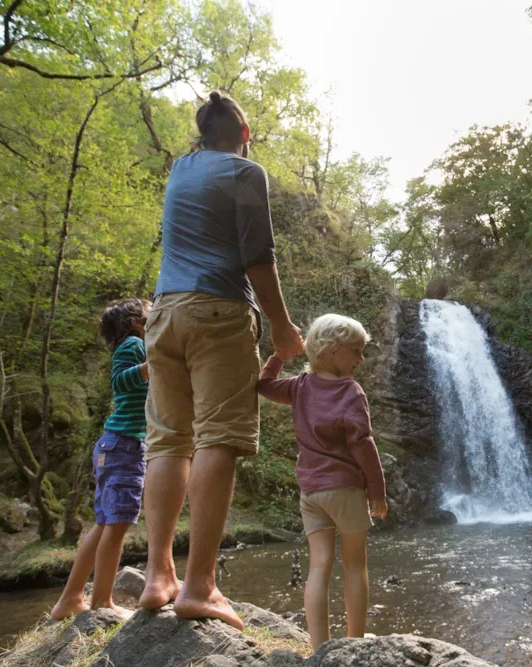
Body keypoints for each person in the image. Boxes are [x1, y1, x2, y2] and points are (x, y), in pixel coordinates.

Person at [139, 91, 304, 629]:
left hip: (162, 315)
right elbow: (258, 258)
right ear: (245, 131)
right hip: (220, 312)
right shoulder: (245, 172)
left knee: (168, 439)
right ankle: (200, 586)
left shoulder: (181, 167)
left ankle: (157, 576)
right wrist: (281, 327)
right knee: (219, 437)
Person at [256, 313, 388, 649]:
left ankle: (319, 647)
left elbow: (264, 386)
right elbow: (363, 444)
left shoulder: (299, 386)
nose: (361, 359)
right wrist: (378, 493)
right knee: (355, 566)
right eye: (356, 351)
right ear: (332, 350)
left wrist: (277, 357)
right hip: (345, 488)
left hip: (311, 492)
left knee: (319, 567)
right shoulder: (350, 392)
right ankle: (354, 642)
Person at [50, 298, 151, 621]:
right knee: (117, 525)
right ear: (137, 322)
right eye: (152, 312)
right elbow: (120, 381)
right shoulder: (133, 344)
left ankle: (72, 598)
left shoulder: (136, 344)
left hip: (117, 445)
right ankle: (102, 602)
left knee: (106, 523)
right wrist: (155, 364)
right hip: (123, 446)